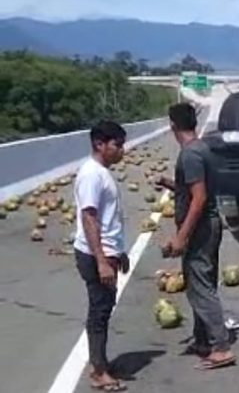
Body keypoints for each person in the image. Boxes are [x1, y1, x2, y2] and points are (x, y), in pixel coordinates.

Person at [155, 102, 236, 370]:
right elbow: (197, 188)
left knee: (200, 286)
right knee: (204, 281)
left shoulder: (189, 154)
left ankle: (221, 347)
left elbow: (199, 199)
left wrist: (181, 236)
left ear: (172, 125)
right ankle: (203, 340)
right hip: (210, 224)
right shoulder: (203, 149)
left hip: (201, 227)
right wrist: (171, 184)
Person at [73, 120, 130, 391]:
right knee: (99, 312)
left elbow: (108, 221)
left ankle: (101, 362)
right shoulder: (91, 175)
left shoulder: (102, 172)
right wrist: (101, 260)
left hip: (107, 252)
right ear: (100, 144)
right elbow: (89, 218)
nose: (122, 151)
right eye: (117, 145)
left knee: (103, 310)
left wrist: (120, 252)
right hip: (96, 256)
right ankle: (98, 371)